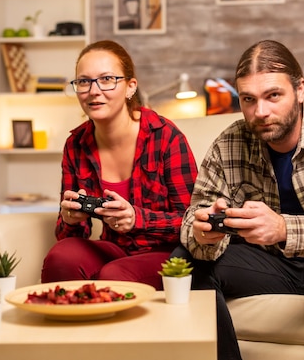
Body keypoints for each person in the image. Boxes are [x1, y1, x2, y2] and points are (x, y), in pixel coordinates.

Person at [177, 40, 304, 360]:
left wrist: (283, 228)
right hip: (268, 265)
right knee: (184, 260)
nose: (260, 112)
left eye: (273, 96)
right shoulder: (229, 142)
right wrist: (203, 231)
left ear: (300, 89)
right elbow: (194, 214)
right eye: (249, 99)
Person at [41, 40, 198, 290]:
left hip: (169, 254)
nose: (94, 91)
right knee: (62, 256)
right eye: (84, 81)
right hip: (114, 249)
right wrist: (70, 218)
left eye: (106, 79)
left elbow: (194, 222)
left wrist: (138, 219)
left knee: (114, 274)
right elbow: (70, 237)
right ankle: (66, 328)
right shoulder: (76, 144)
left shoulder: (165, 137)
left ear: (130, 87)